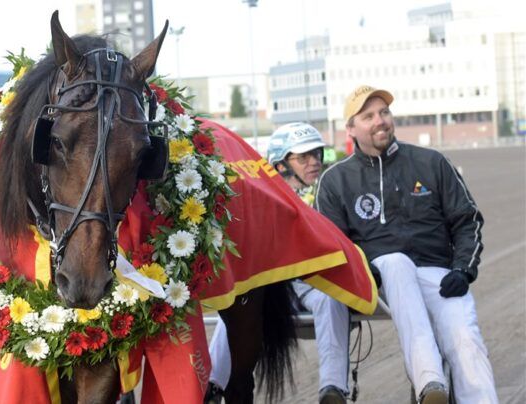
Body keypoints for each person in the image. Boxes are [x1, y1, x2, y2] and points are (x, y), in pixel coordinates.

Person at [315, 85, 498, 404]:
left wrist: (462, 271)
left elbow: (467, 220)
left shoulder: (432, 162)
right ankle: (430, 384)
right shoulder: (335, 180)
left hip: (437, 275)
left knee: (466, 339)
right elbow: (332, 244)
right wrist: (361, 269)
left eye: (384, 112)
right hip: (377, 280)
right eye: (368, 116)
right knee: (396, 262)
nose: (380, 121)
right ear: (351, 128)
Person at [206, 122, 352, 404]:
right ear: (280, 164)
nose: (314, 163)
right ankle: (213, 385)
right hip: (271, 286)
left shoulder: (328, 191)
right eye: (303, 157)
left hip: (314, 284)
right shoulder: (263, 197)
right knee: (238, 305)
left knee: (330, 300)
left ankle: (333, 389)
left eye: (317, 155)